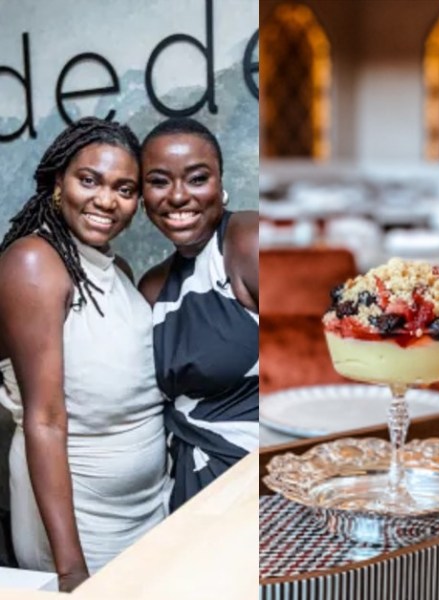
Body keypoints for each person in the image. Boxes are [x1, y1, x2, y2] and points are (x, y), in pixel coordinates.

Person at [0, 117, 169, 591]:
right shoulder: (33, 264)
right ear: (59, 182)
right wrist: (71, 570)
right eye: (88, 180)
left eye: (124, 188)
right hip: (81, 523)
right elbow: (45, 420)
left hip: (147, 508)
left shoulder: (119, 268)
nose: (105, 200)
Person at [138, 117, 259, 511]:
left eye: (196, 179)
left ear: (221, 186)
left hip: (261, 488)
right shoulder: (153, 287)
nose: (177, 196)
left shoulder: (248, 242)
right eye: (158, 181)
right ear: (142, 196)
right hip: (188, 494)